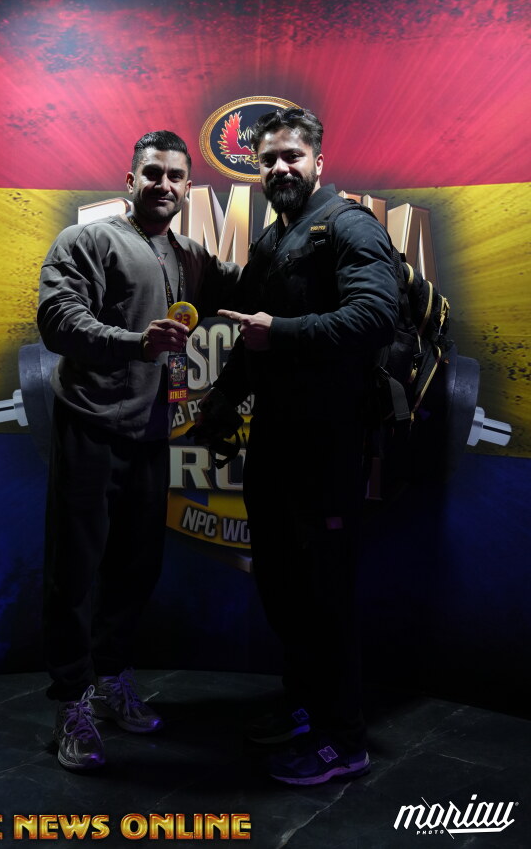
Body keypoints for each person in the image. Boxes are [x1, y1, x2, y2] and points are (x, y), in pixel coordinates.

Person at [198, 108, 398, 785]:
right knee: (284, 588)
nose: (280, 168)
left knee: (324, 593)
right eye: (269, 160)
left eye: (292, 156)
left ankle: (344, 741)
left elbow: (375, 316)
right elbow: (252, 339)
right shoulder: (274, 239)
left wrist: (280, 332)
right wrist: (222, 401)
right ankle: (308, 708)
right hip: (277, 443)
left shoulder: (349, 225)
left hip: (330, 445)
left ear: (318, 161)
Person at [37, 130, 240, 772]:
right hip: (90, 428)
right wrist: (135, 343)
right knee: (74, 574)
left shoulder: (189, 256)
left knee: (135, 570)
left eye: (175, 176)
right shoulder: (87, 240)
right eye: (152, 173)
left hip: (152, 434)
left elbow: (250, 285)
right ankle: (71, 702)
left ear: (188, 187)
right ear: (131, 181)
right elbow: (58, 319)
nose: (163, 184)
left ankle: (110, 680)